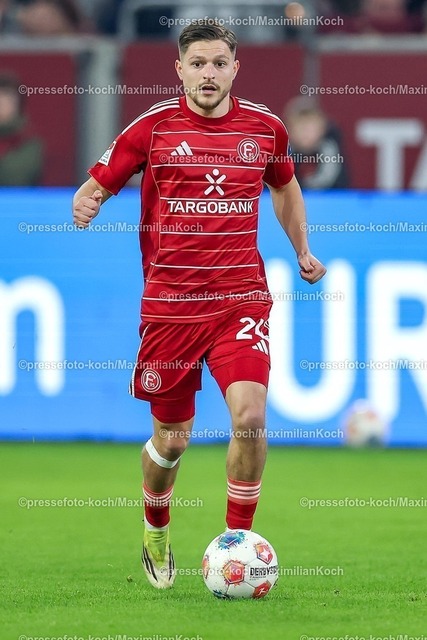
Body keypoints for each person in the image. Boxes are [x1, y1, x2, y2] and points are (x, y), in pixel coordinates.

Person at [72, 20, 327, 590]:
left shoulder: (265, 128)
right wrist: (86, 202)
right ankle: (156, 528)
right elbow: (95, 185)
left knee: (251, 419)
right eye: (198, 64)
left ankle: (239, 545)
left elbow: (285, 186)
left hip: (240, 300)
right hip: (171, 309)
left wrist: (302, 249)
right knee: (172, 440)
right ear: (179, 69)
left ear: (235, 68)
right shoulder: (153, 129)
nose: (208, 74)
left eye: (218, 63)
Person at [285, 96, 348, 190]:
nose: (305, 134)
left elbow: (331, 180)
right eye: (301, 129)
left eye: (309, 129)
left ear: (321, 129)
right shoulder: (284, 151)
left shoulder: (329, 149)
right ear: (290, 131)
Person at [0, 72, 43, 186]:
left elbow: (17, 179)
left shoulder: (30, 144)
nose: (2, 107)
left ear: (18, 106)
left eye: (7, 101)